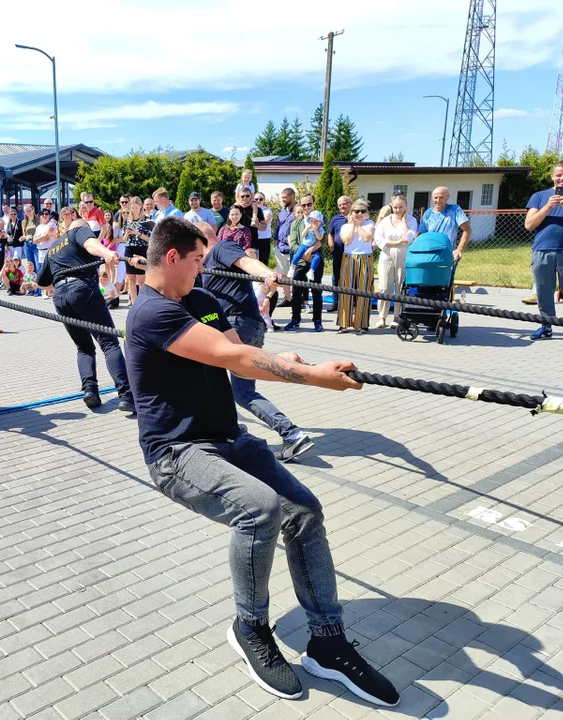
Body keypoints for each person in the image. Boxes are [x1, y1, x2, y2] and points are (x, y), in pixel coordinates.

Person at [125, 216, 399, 708]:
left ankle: (328, 643)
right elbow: (237, 362)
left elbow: (239, 350)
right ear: (171, 257)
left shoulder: (201, 302)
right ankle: (250, 627)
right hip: (178, 453)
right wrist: (312, 377)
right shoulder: (150, 313)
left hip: (230, 439)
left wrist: (294, 362)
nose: (201, 271)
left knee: (306, 511)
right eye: (196, 261)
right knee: (259, 508)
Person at [200, 221, 314, 462]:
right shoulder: (202, 268)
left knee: (206, 380)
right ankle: (291, 434)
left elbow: (246, 262)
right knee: (243, 393)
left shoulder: (221, 249)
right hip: (244, 328)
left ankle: (226, 436)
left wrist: (268, 274)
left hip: (236, 326)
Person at [37, 216, 134, 412]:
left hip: (61, 298)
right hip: (82, 289)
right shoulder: (77, 231)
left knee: (83, 346)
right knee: (109, 342)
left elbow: (41, 282)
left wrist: (60, 284)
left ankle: (90, 390)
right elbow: (90, 243)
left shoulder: (55, 246)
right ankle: (126, 395)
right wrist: (107, 253)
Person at [525, 161, 563, 340]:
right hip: (542, 250)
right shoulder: (539, 197)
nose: (561, 179)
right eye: (559, 175)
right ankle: (546, 326)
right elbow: (529, 225)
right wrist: (548, 206)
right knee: (544, 291)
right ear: (552, 176)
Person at [283, 195, 325, 332]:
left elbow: (321, 241)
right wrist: (304, 255)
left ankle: (317, 321)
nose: (306, 207)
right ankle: (295, 319)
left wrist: (309, 252)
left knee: (316, 291)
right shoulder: (296, 223)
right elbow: (294, 243)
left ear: (314, 204)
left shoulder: (320, 219)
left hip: (315, 260)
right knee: (296, 292)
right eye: (304, 205)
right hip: (300, 262)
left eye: (309, 204)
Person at [374, 194, 417, 328]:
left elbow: (408, 237)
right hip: (387, 254)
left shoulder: (411, 220)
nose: (398, 210)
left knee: (400, 285)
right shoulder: (385, 221)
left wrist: (403, 221)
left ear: (406, 207)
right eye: (395, 207)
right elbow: (379, 238)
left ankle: (397, 316)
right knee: (384, 285)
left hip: (403, 253)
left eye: (401, 207)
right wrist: (395, 242)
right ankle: (382, 316)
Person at [337, 198, 377, 334]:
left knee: (364, 291)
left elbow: (367, 238)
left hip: (365, 259)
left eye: (362, 211)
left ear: (366, 213)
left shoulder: (369, 224)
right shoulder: (345, 227)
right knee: (346, 290)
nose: (359, 214)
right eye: (356, 211)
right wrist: (353, 225)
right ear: (351, 212)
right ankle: (344, 323)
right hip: (348, 258)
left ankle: (362, 323)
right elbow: (347, 241)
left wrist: (358, 226)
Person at [418, 186, 471, 260]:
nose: (438, 200)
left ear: (447, 197)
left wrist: (459, 250)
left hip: (448, 254)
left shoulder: (455, 209)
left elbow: (467, 230)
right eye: (435, 197)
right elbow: (420, 234)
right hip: (430, 255)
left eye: (441, 197)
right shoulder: (428, 213)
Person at [120, 196, 152, 304]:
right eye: (132, 208)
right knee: (131, 280)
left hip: (141, 249)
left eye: (136, 207)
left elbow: (150, 239)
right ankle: (134, 304)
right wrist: (127, 234)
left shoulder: (146, 221)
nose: (133, 210)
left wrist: (137, 233)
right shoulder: (127, 221)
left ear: (140, 207)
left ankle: (143, 303)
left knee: (142, 280)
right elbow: (124, 239)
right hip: (129, 249)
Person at [327, 196, 352, 311]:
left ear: (350, 204)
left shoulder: (356, 217)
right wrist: (331, 246)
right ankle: (335, 303)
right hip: (338, 252)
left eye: (344, 203)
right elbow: (330, 234)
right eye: (340, 204)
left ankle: (351, 303)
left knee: (351, 278)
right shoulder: (335, 219)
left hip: (353, 254)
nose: (342, 206)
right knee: (336, 278)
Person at [274, 188, 297, 306]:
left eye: (285, 197)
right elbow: (278, 226)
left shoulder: (298, 211)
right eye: (282, 197)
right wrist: (276, 242)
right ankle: (288, 299)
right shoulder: (281, 211)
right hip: (281, 247)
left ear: (292, 196)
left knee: (296, 275)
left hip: (293, 248)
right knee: (283, 275)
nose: (283, 200)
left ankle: (299, 299)